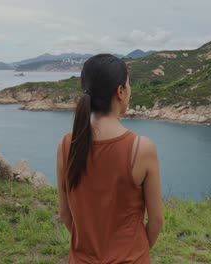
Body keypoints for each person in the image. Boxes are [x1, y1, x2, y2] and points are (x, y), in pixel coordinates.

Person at [56, 54, 164, 263]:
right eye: (128, 85)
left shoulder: (66, 145)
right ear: (120, 92)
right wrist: (136, 251)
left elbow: (66, 214)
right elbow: (156, 221)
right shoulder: (142, 148)